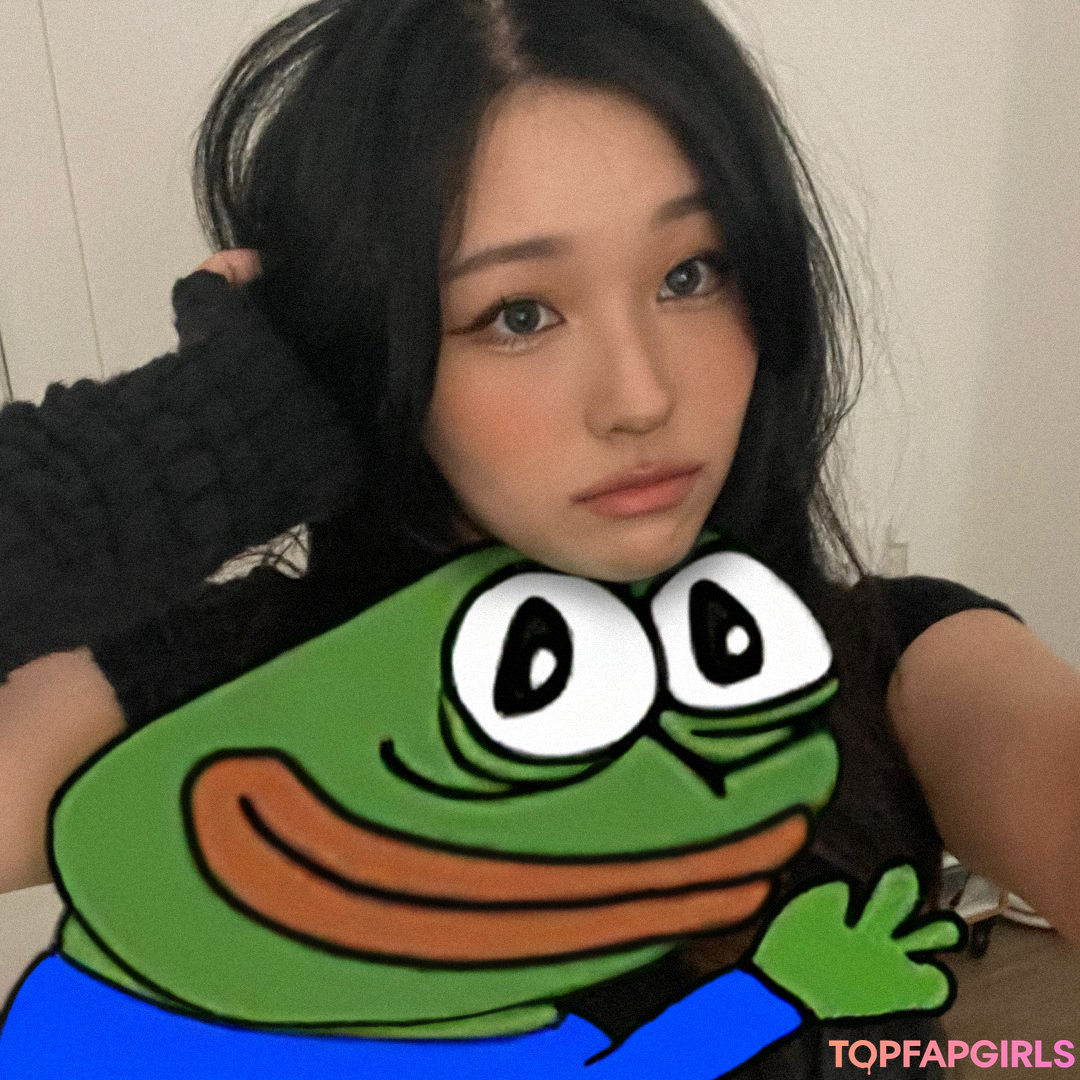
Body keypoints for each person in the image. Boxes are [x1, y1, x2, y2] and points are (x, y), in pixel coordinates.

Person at [0, 0, 1077, 1074]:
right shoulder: (226, 694)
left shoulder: (898, 669)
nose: (642, 397)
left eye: (692, 274)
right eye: (518, 313)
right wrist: (180, 445)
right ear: (367, 344)